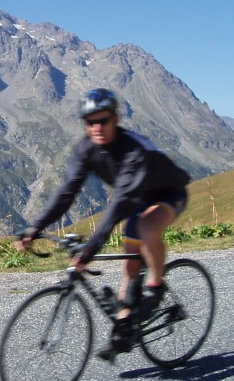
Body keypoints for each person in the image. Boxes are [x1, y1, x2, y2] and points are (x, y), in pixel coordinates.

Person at [15, 88, 191, 362]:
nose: (96, 127)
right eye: (90, 122)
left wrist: (90, 251)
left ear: (116, 119)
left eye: (103, 120)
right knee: (130, 265)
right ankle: (125, 327)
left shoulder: (132, 150)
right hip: (137, 199)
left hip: (168, 194)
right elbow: (66, 192)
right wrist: (35, 228)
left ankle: (157, 287)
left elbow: (120, 204)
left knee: (146, 229)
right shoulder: (86, 148)